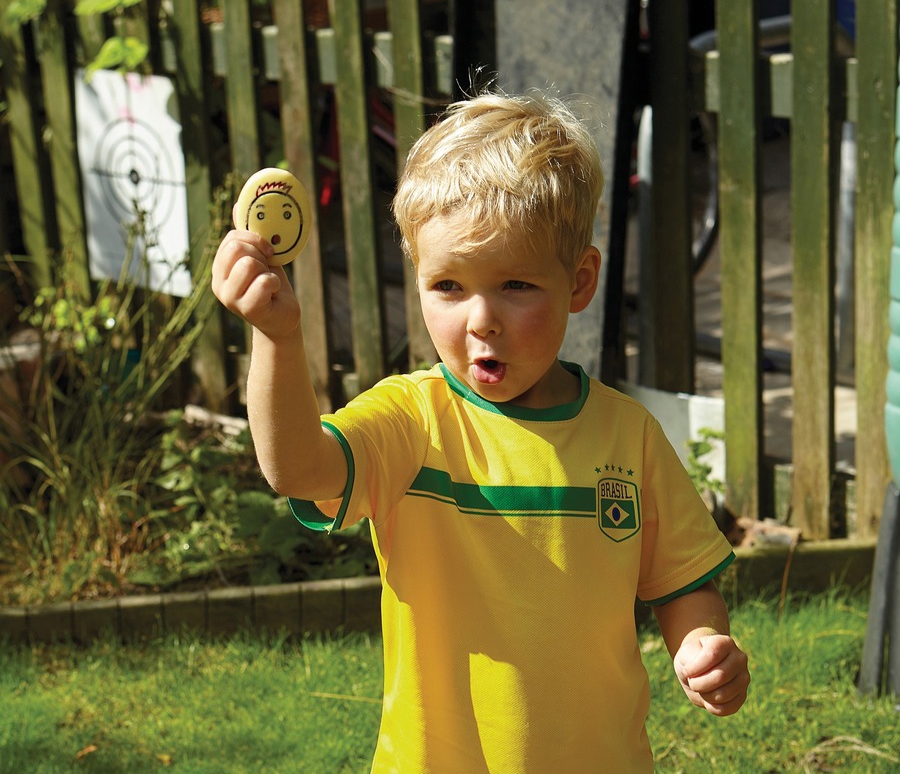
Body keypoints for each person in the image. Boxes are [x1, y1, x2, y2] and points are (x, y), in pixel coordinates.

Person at [212, 91, 750, 771]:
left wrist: (702, 644)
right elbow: (298, 470)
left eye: (516, 285)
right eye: (448, 286)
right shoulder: (413, 421)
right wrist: (278, 340)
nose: (480, 319)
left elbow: (681, 584)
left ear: (579, 281)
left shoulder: (627, 436)